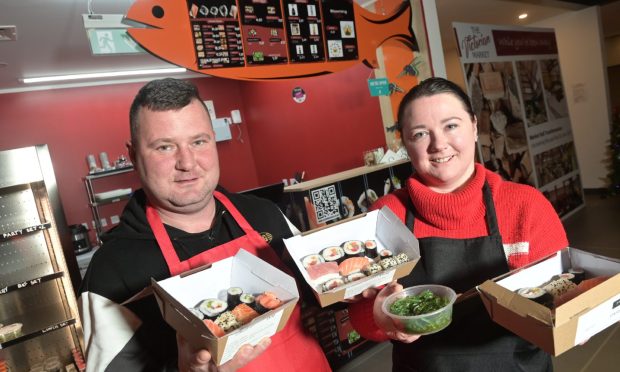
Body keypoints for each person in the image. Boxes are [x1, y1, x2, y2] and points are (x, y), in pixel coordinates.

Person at [79, 78, 330, 372]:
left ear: (213, 139)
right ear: (134, 155)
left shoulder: (264, 214)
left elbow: (320, 292)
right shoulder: (113, 269)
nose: (187, 162)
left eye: (198, 142)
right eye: (164, 147)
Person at [347, 77, 568, 371]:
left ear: (474, 127)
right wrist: (381, 318)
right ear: (405, 143)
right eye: (421, 133)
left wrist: (572, 318)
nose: (439, 145)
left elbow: (566, 291)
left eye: (451, 126)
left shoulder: (526, 206)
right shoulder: (385, 216)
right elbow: (360, 314)